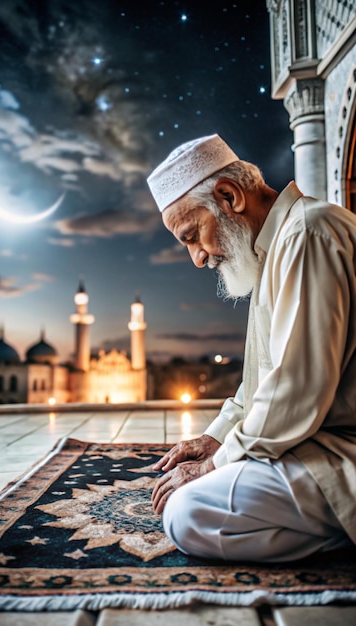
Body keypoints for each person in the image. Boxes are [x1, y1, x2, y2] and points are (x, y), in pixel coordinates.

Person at [146, 133, 356, 562]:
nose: (197, 258)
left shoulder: (308, 233)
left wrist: (214, 465)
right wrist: (215, 439)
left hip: (342, 450)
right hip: (317, 440)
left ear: (228, 197)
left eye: (192, 235)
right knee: (198, 498)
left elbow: (295, 391)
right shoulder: (275, 248)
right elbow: (262, 379)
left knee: (189, 512)